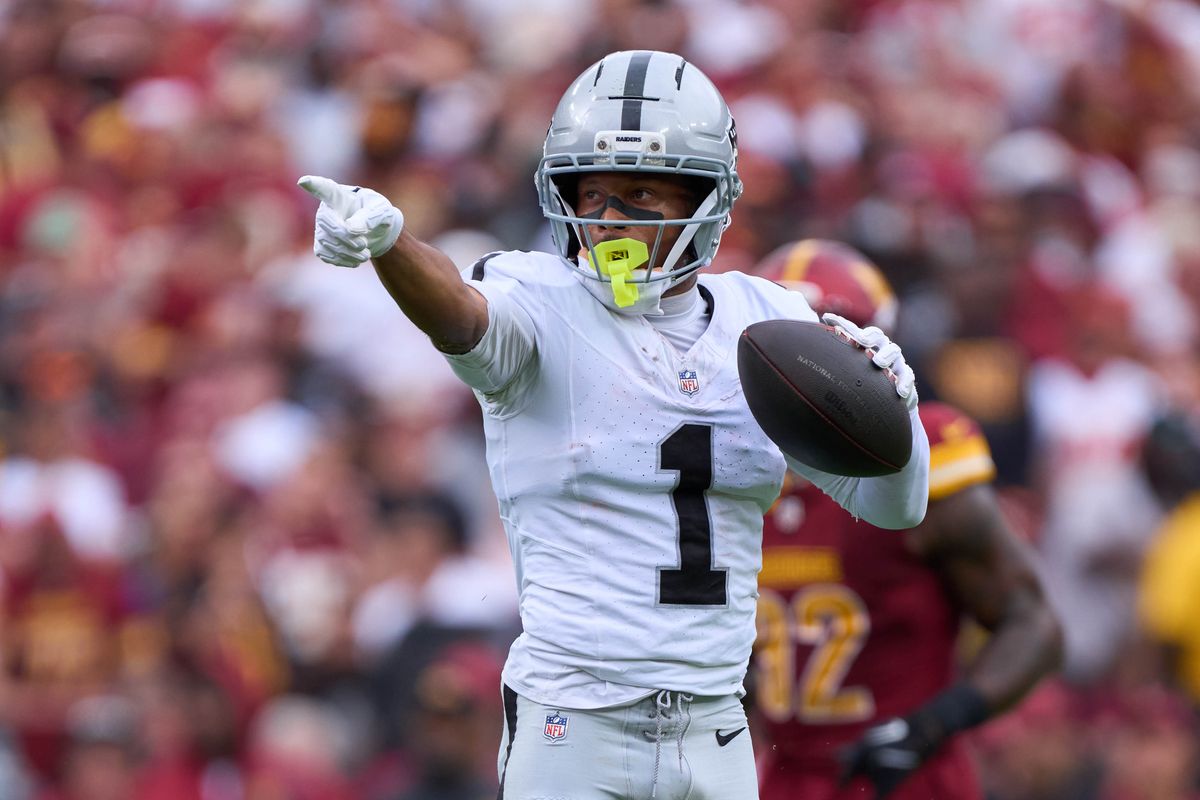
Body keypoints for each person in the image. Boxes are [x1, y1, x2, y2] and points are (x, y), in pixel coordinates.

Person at [299, 50, 930, 800]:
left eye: (638, 192)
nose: (605, 219)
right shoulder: (538, 300)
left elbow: (896, 506)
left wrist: (897, 414)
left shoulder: (767, 324)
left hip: (715, 729)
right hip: (575, 725)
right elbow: (463, 318)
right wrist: (391, 244)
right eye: (590, 192)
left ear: (707, 198)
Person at [750, 239, 1063, 800]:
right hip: (787, 778)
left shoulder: (923, 458)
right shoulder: (735, 465)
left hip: (905, 778)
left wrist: (930, 725)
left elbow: (1032, 622)